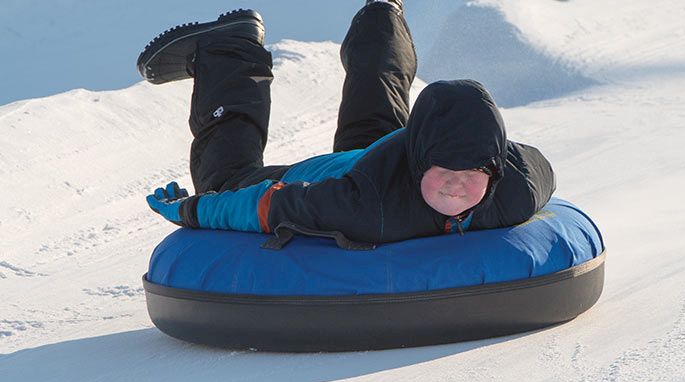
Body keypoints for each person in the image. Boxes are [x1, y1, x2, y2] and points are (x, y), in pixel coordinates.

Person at [142, 0, 556, 250]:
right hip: (341, 176)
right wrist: (192, 208)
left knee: (377, 115)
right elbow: (265, 203)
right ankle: (230, 50)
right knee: (226, 178)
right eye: (445, 171)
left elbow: (536, 167)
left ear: (495, 170)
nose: (455, 185)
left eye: (471, 174)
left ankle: (382, 12)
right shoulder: (361, 205)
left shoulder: (517, 187)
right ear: (421, 161)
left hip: (384, 155)